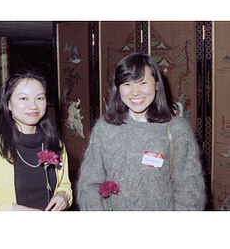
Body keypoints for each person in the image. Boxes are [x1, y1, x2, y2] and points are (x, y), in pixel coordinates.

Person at [77, 53, 205, 211]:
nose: (135, 92)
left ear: (156, 84)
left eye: (143, 83)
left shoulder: (177, 130)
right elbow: (89, 184)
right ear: (118, 88)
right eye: (127, 84)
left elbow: (190, 194)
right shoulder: (105, 128)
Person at [0, 69, 72, 211]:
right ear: (8, 104)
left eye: (40, 98)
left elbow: (64, 184)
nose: (34, 105)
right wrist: (16, 210)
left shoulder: (55, 144)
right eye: (24, 98)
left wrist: (63, 195)